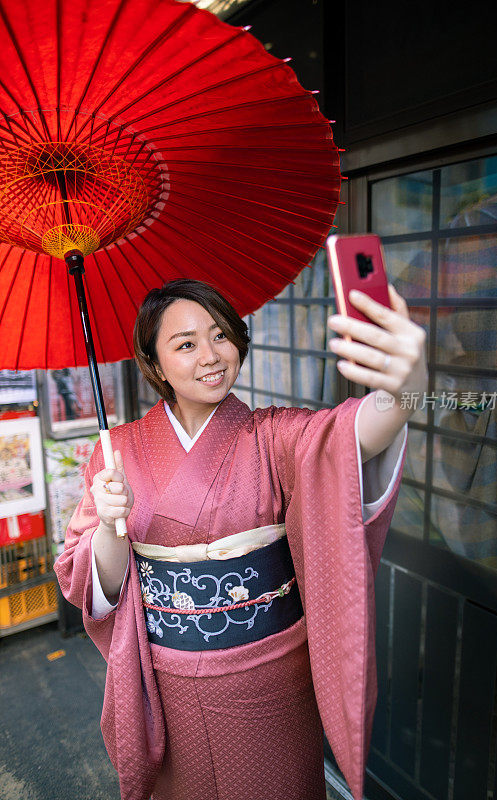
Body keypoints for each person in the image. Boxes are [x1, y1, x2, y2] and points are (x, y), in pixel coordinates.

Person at [54, 278, 427, 800]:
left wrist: (407, 385)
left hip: (273, 674)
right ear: (156, 364)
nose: (210, 356)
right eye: (185, 344)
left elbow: (355, 434)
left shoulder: (273, 434)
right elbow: (90, 586)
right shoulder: (117, 451)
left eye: (221, 336)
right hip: (171, 681)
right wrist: (113, 530)